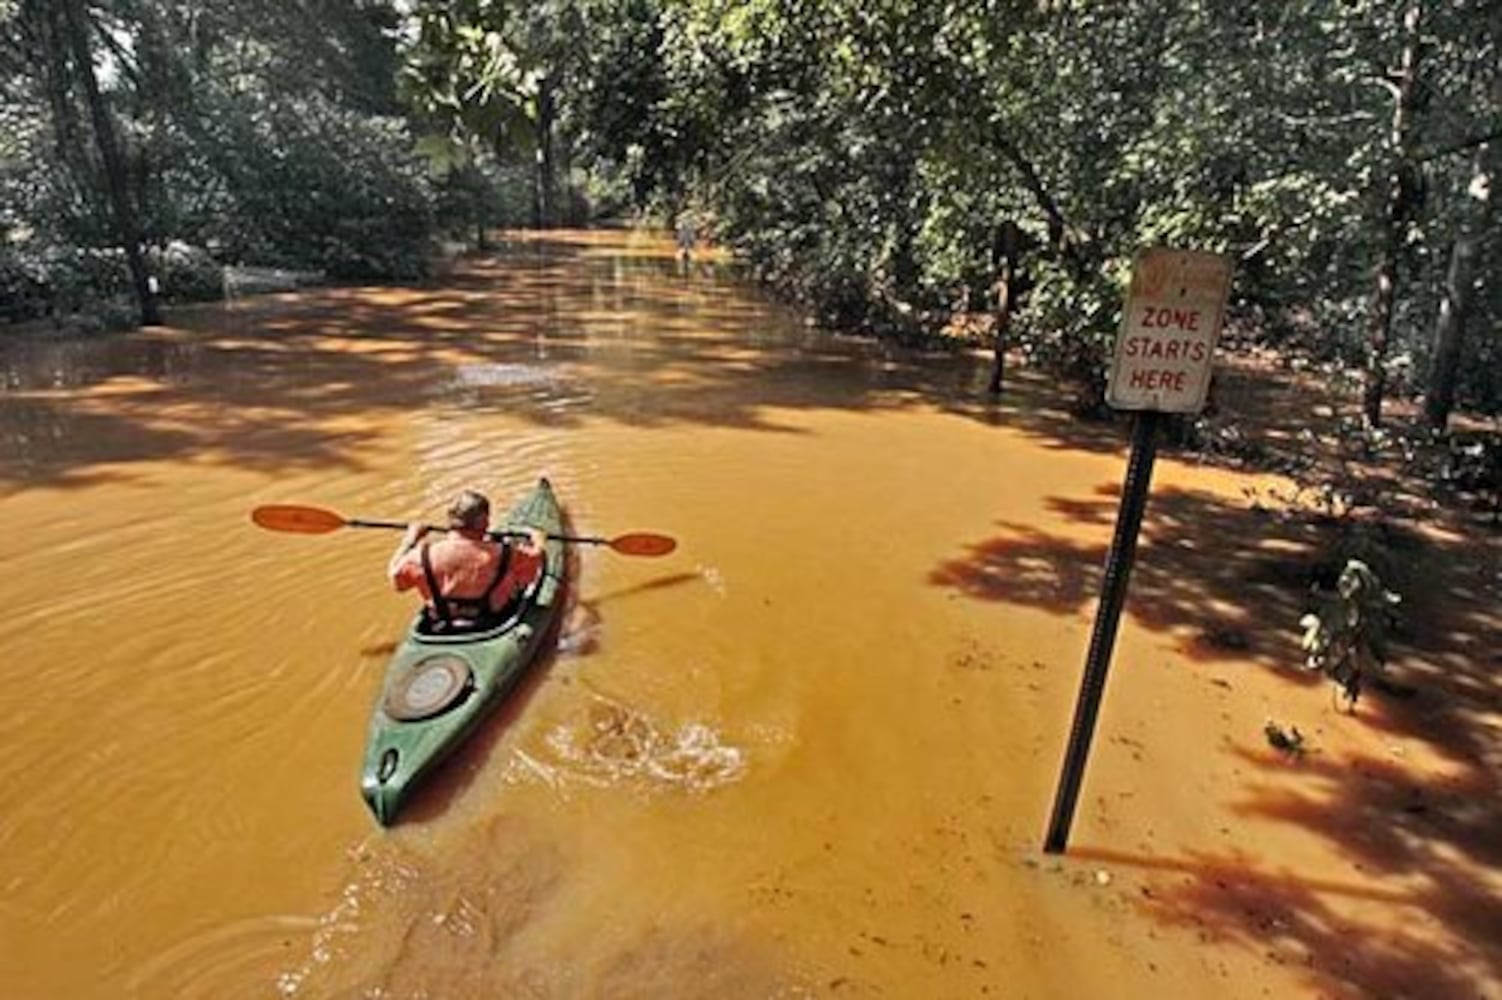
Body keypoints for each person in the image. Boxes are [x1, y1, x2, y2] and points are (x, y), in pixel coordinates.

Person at [387, 489, 546, 630]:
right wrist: (539, 540)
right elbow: (535, 564)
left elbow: (397, 583)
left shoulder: (421, 555)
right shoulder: (504, 553)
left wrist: (410, 540)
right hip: (491, 622)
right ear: (483, 521)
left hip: (443, 624)